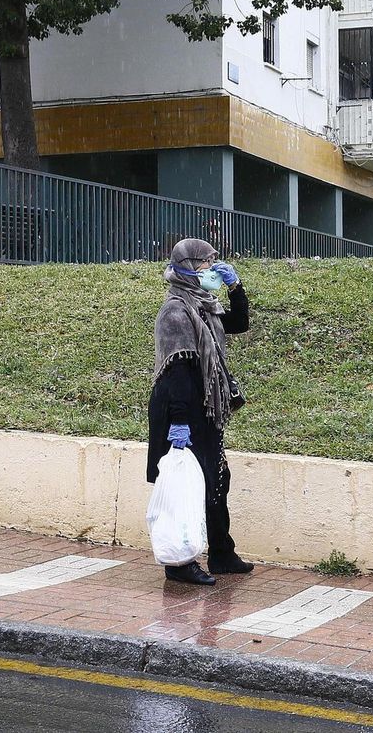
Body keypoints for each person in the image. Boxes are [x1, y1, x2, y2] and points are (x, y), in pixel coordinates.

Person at [149, 238, 254, 585]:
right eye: (205, 264)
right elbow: (177, 372)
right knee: (188, 485)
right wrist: (179, 425)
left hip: (204, 404)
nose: (211, 269)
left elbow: (239, 321)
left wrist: (235, 286)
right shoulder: (176, 311)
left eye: (214, 262)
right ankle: (178, 564)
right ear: (187, 269)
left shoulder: (204, 305)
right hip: (181, 408)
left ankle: (222, 553)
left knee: (217, 479)